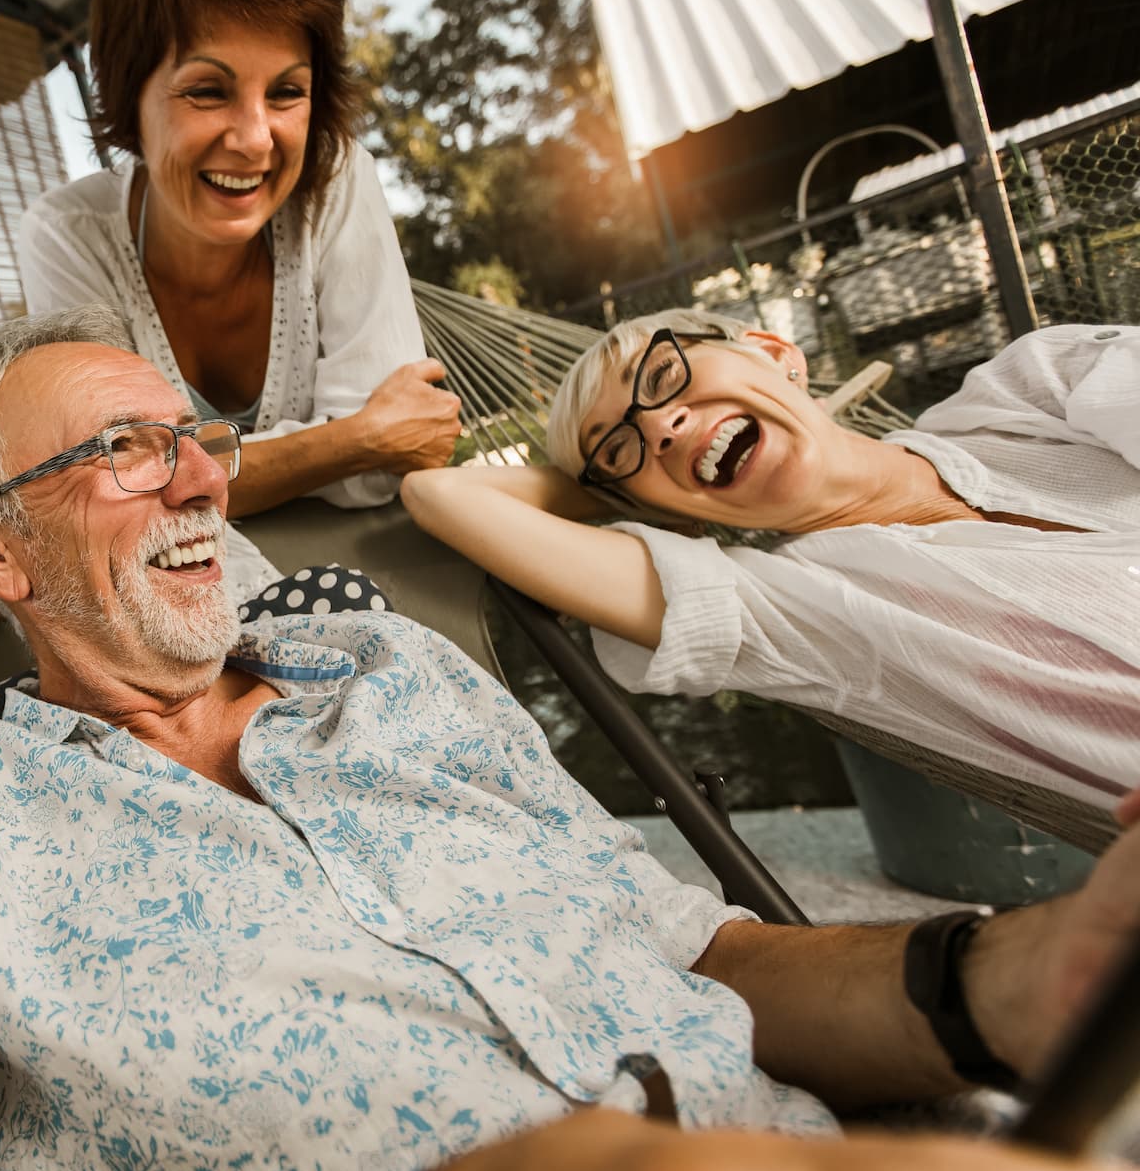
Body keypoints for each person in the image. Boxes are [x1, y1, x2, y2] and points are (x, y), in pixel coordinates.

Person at [0, 305, 1140, 1171]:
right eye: (125, 451)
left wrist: (1017, 977)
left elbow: (695, 955)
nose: (205, 474)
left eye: (199, 439)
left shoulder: (390, 677)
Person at [401, 309, 1140, 814]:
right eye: (622, 446)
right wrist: (615, 491)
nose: (658, 424)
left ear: (777, 353)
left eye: (662, 377)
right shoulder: (793, 610)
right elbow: (440, 494)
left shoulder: (1032, 389)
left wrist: (627, 470)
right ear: (664, 514)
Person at [15, 0, 462, 602]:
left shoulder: (337, 178)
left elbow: (384, 477)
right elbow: (121, 497)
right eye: (207, 91)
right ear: (132, 97)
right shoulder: (66, 238)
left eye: (287, 92)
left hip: (381, 580)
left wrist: (189, 468)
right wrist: (355, 438)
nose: (255, 139)